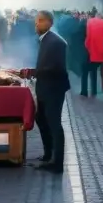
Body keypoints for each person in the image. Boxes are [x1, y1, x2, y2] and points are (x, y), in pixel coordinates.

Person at [28, 10, 69, 174]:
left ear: (50, 23)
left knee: (54, 124)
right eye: (36, 21)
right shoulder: (45, 40)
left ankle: (57, 162)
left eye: (41, 20)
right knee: (41, 119)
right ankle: (47, 155)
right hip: (45, 87)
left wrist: (37, 72)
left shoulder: (56, 42)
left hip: (53, 88)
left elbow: (57, 67)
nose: (36, 24)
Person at [82, 9, 103, 98]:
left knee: (86, 72)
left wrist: (87, 47)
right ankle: (97, 90)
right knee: (98, 72)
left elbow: (87, 40)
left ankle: (84, 91)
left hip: (90, 53)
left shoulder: (89, 23)